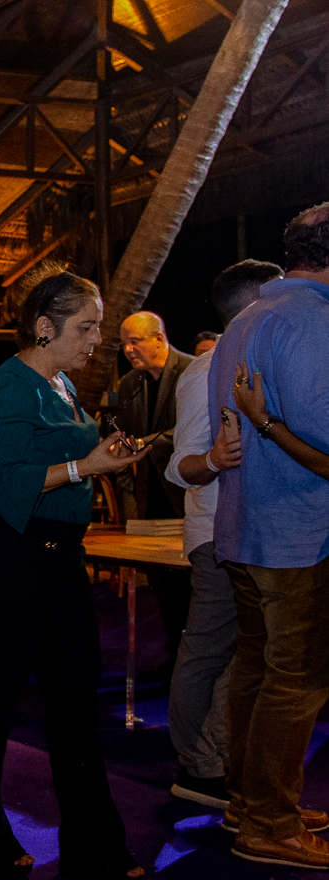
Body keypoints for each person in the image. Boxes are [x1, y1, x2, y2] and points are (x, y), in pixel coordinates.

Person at [0, 268, 150, 880]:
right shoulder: (6, 388)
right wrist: (88, 464)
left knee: (74, 700)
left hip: (55, 558)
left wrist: (101, 459)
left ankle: (91, 843)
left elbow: (59, 460)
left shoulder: (61, 384)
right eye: (85, 327)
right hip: (0, 558)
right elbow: (0, 483)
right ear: (43, 327)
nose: (96, 339)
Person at [209, 203, 329, 868]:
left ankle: (250, 801)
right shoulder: (313, 320)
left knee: (257, 669)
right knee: (298, 678)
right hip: (299, 531)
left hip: (246, 522)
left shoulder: (247, 317)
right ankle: (272, 824)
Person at [162, 259, 282, 810]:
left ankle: (220, 756)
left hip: (253, 530)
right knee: (208, 650)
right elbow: (179, 465)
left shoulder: (257, 359)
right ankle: (197, 765)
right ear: (251, 305)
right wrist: (213, 459)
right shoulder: (205, 370)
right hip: (216, 532)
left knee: (246, 651)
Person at [114, 310, 194, 669]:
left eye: (135, 341)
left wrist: (145, 443)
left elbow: (189, 431)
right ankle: (173, 650)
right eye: (124, 344)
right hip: (150, 494)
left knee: (192, 582)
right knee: (162, 585)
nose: (128, 350)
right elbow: (125, 432)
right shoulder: (130, 383)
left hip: (187, 491)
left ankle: (189, 657)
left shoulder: (191, 371)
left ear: (159, 338)